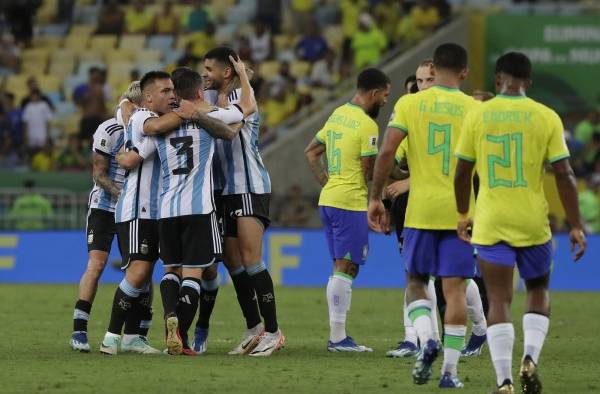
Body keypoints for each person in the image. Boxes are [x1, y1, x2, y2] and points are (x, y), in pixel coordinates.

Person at [454, 52, 587, 394]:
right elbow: (564, 174)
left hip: (491, 220)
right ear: (528, 81)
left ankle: (504, 382)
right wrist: (575, 224)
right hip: (532, 222)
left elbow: (462, 172)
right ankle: (529, 358)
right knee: (539, 290)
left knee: (498, 299)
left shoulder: (478, 115)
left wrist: (462, 214)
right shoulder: (546, 117)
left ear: (499, 79)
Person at [117, 63, 255, 356]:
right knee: (193, 275)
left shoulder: (161, 125)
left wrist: (123, 144)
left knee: (170, 270)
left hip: (166, 210)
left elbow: (133, 157)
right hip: (199, 207)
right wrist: (242, 75)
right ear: (197, 91)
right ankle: (180, 334)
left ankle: (169, 313)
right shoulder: (208, 116)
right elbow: (244, 111)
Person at [368, 43, 479, 388]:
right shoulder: (474, 109)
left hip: (420, 211)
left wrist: (376, 198)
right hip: (461, 212)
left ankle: (426, 337)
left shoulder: (409, 103)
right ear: (463, 72)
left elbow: (387, 151)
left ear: (436, 69)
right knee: (456, 291)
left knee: (416, 281)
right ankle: (450, 372)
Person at [202, 47, 284, 356]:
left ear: (226, 72)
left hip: (249, 186)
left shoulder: (240, 98)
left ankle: (274, 332)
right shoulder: (215, 98)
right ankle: (254, 329)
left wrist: (198, 112)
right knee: (233, 263)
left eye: (209, 68)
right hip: (226, 191)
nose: (204, 73)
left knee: (251, 260)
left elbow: (229, 130)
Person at [305, 68, 391, 352]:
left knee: (339, 267)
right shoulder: (367, 125)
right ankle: (338, 339)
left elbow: (311, 152)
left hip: (329, 200)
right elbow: (369, 171)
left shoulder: (337, 114)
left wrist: (327, 182)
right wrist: (387, 186)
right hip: (349, 203)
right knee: (347, 267)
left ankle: (338, 336)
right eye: (385, 96)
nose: (386, 102)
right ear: (375, 93)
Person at [69, 83, 142, 353]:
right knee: (97, 265)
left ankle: (136, 335)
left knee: (138, 268)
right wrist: (121, 193)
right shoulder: (109, 129)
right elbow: (98, 174)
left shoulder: (146, 128)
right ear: (132, 105)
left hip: (133, 210)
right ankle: (79, 330)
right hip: (104, 207)